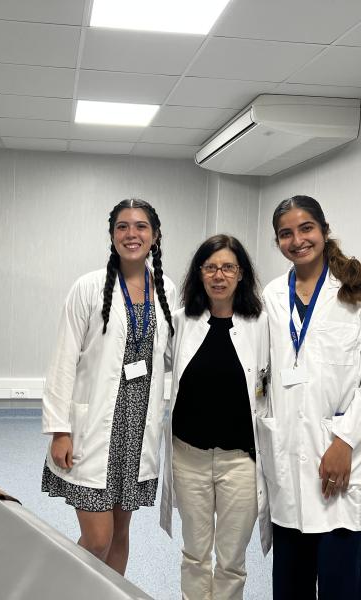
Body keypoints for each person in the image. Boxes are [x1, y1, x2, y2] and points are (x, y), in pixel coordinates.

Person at [259, 195, 361, 600]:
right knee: (290, 588)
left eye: (306, 228)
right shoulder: (272, 295)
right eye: (285, 233)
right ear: (278, 242)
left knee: (339, 586)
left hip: (341, 458)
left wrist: (345, 441)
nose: (297, 240)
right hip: (287, 459)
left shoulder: (360, 292)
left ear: (323, 230)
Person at [41, 198, 176, 575]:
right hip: (95, 427)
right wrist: (59, 431)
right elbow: (63, 361)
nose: (131, 234)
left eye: (141, 226)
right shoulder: (88, 287)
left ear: (155, 235)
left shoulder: (167, 289)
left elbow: (170, 354)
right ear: (112, 234)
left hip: (138, 430)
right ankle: (58, 589)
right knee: (97, 538)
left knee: (120, 533)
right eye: (122, 226)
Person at [160, 234, 270, 600]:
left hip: (240, 463)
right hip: (188, 458)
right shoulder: (180, 323)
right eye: (210, 267)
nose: (218, 275)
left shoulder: (261, 325)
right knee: (195, 554)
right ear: (199, 273)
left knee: (231, 560)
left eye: (228, 267)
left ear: (241, 274)